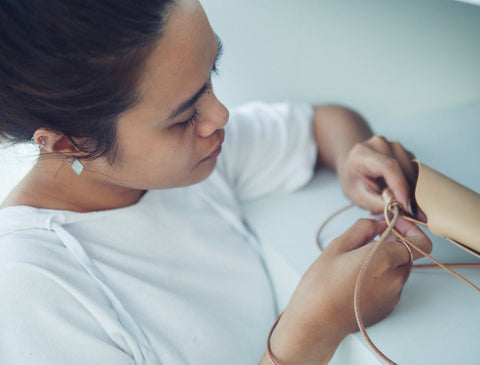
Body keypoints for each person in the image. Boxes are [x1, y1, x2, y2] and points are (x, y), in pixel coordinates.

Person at [0, 0, 432, 364]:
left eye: (212, 74)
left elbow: (325, 123)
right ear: (66, 144)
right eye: (184, 115)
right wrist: (315, 329)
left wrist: (354, 156)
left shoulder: (192, 157)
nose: (220, 115)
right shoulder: (29, 295)